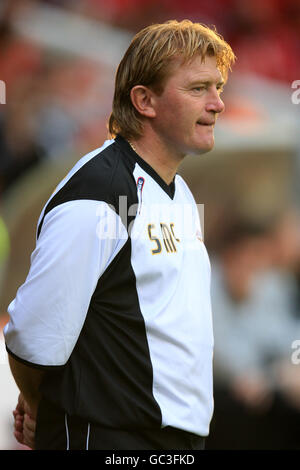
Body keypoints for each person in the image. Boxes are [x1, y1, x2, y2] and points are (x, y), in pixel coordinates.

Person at [3, 19, 235, 450]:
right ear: (144, 100)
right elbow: (34, 335)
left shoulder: (179, 191)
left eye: (218, 87)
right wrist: (39, 407)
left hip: (177, 439)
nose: (218, 103)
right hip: (108, 436)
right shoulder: (101, 192)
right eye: (198, 88)